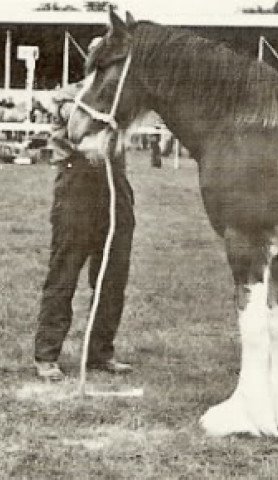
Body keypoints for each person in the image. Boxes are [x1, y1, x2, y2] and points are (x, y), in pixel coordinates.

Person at [33, 38, 135, 381]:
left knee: (112, 274)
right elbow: (70, 119)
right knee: (65, 271)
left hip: (114, 186)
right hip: (77, 186)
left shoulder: (124, 96)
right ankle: (47, 355)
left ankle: (100, 352)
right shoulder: (69, 93)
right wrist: (91, 141)